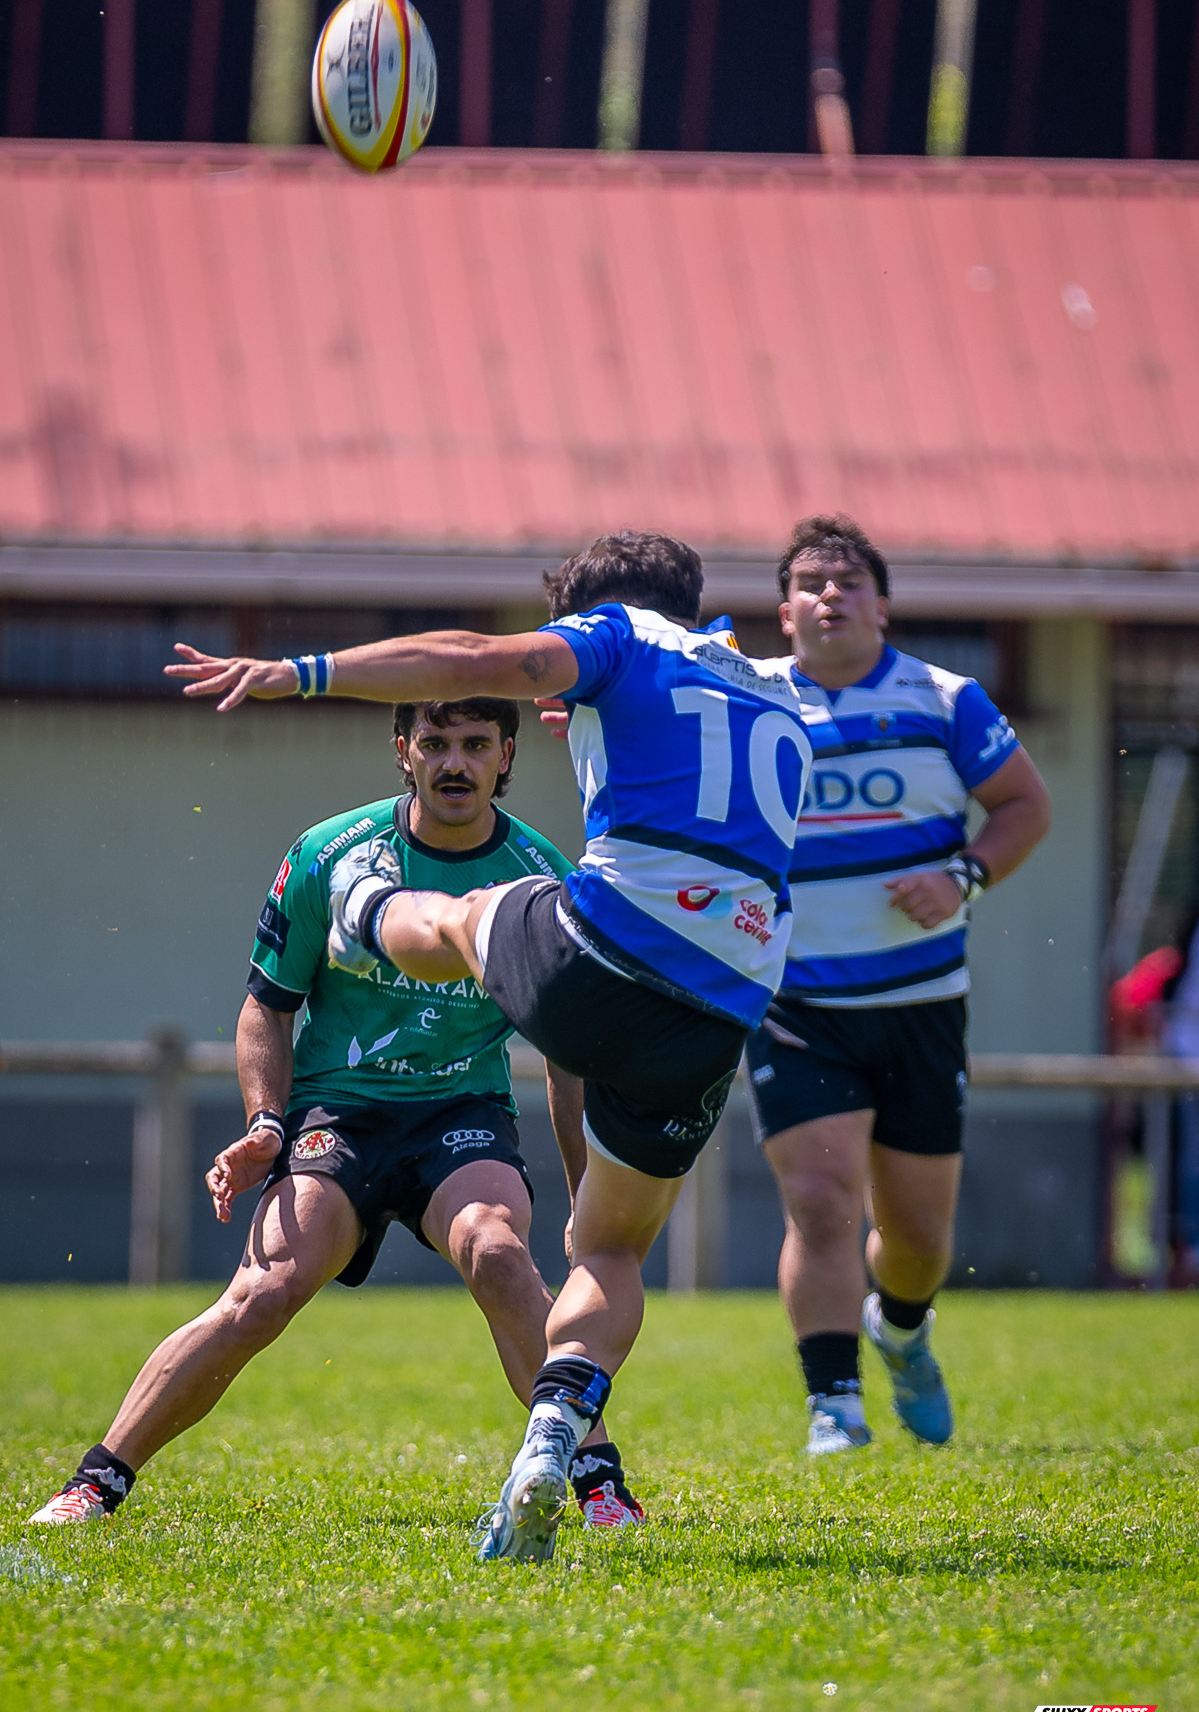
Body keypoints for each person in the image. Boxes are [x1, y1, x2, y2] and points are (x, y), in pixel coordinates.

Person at [163, 530, 814, 1562]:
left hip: (609, 951)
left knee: (477, 919)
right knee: (604, 1250)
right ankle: (558, 1427)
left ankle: (370, 912)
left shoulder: (618, 635)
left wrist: (304, 673)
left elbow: (476, 660)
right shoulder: (777, 686)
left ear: (591, 608)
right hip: (716, 1006)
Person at [30, 697, 642, 1533]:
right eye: (434, 744)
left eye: (473, 745)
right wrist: (265, 1125)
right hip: (338, 1116)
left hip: (460, 1113)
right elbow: (267, 1005)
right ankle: (95, 1483)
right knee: (262, 1294)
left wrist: (585, 1194)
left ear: (506, 755)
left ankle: (600, 1484)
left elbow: (568, 1059)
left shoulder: (541, 882)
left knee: (501, 1256)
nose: (452, 763)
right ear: (403, 752)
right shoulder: (330, 852)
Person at [743, 514, 1051, 1456]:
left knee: (916, 1239)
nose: (829, 595)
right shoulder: (746, 699)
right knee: (823, 1198)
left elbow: (1024, 807)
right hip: (794, 1007)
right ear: (784, 611)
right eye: (810, 583)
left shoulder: (946, 699)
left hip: (919, 1004)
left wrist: (960, 876)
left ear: (882, 604)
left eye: (848, 582)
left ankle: (902, 1329)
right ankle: (832, 1405)